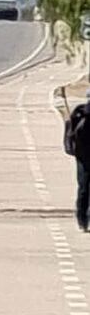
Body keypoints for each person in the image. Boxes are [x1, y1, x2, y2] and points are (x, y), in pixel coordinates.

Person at [64, 91, 90, 230]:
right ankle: (83, 219)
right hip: (83, 157)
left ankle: (82, 220)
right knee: (84, 189)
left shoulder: (79, 113)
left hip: (82, 157)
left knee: (83, 189)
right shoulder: (79, 113)